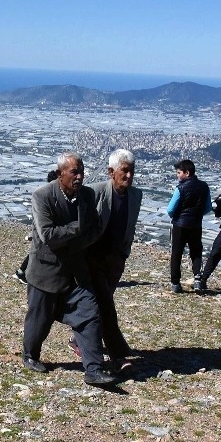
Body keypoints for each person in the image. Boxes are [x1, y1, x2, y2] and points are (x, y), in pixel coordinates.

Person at [22, 152, 117, 387]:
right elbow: (48, 235)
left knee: (89, 314)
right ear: (59, 174)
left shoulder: (87, 195)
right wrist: (78, 228)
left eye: (81, 171)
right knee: (39, 321)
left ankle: (94, 369)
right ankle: (30, 355)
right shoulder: (42, 196)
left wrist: (78, 241)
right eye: (74, 171)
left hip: (76, 272)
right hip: (45, 273)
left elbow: (95, 228)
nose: (80, 176)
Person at [81, 148, 143, 371]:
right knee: (106, 307)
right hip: (93, 258)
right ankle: (117, 356)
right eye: (124, 171)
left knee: (97, 306)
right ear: (111, 172)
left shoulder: (136, 196)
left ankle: (79, 339)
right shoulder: (95, 192)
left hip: (115, 261)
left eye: (131, 171)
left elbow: (130, 226)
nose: (129, 176)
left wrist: (124, 254)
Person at [166, 159, 211, 293]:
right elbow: (208, 207)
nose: (177, 175)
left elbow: (170, 209)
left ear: (187, 172)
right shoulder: (204, 187)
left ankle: (175, 283)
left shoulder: (180, 188)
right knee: (196, 252)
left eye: (179, 173)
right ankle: (198, 279)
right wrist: (196, 214)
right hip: (196, 224)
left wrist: (177, 215)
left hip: (180, 224)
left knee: (177, 253)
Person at [14, 168, 60, 284]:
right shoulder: (48, 195)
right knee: (37, 252)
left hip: (41, 229)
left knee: (36, 251)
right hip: (43, 230)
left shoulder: (45, 194)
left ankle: (22, 272)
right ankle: (22, 272)